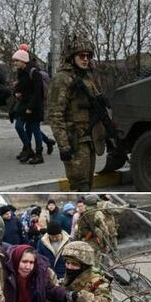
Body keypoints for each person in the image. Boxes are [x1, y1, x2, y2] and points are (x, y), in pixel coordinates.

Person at [48, 36, 108, 191]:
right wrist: (63, 146)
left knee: (88, 184)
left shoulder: (88, 77)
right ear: (71, 57)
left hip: (91, 138)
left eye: (88, 56)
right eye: (82, 56)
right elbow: (55, 115)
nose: (86, 59)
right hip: (75, 140)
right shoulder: (62, 79)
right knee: (78, 185)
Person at [11, 48, 46, 164]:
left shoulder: (34, 72)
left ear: (23, 60)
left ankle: (39, 154)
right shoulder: (22, 72)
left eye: (17, 61)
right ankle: (28, 149)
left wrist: (30, 107)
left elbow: (38, 92)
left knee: (35, 129)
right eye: (15, 61)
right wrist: (16, 91)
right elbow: (21, 87)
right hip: (25, 104)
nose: (15, 63)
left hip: (34, 106)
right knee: (21, 127)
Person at [76, 195, 112, 264]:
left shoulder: (92, 214)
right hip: (86, 242)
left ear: (85, 205)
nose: (80, 208)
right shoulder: (81, 216)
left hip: (93, 241)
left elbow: (104, 230)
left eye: (81, 206)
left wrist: (106, 244)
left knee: (96, 261)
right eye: (78, 206)